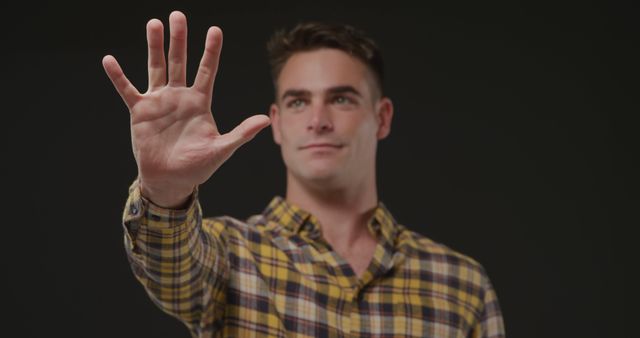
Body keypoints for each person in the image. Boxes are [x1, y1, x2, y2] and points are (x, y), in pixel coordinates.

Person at [103, 10, 505, 338]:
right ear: (276, 123)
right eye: (298, 102)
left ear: (381, 118)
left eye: (341, 99)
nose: (318, 121)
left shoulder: (460, 285)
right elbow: (171, 268)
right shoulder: (231, 257)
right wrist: (166, 189)